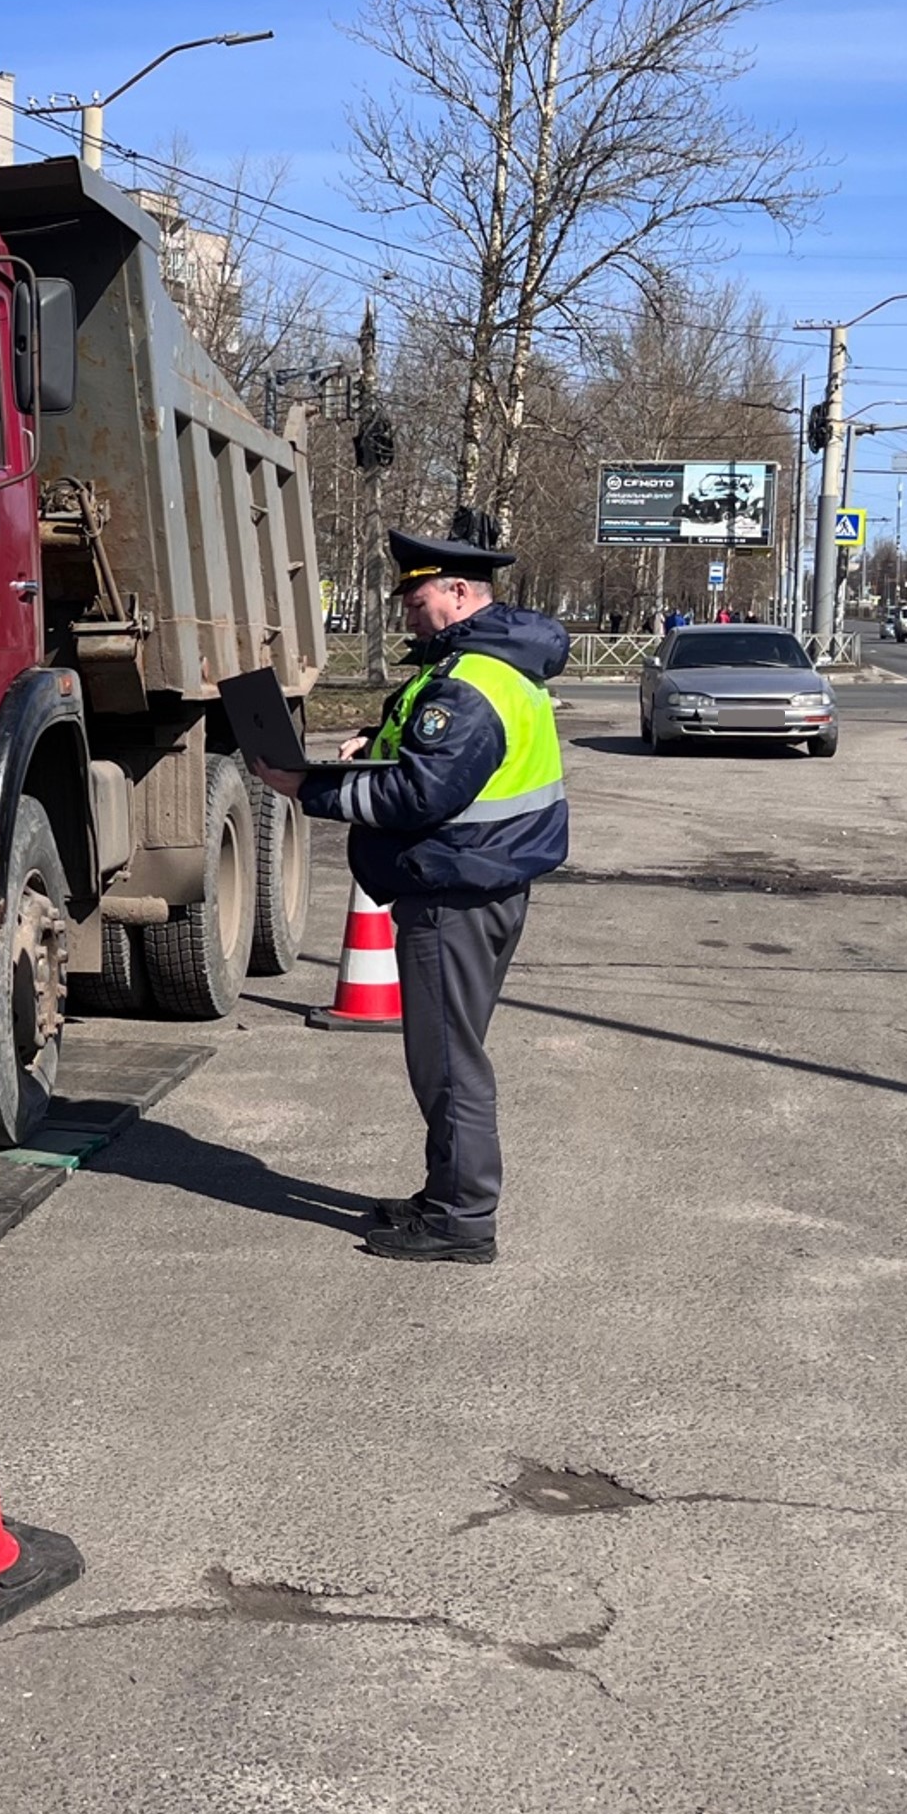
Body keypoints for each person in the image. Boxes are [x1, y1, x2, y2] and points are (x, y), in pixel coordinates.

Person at [251, 527, 570, 1264]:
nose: (408, 613)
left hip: (455, 892)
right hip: (477, 884)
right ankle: (446, 1191)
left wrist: (312, 787)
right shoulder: (484, 668)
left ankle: (461, 1218)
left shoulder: (468, 683)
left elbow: (421, 791)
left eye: (417, 598)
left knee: (449, 1063)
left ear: (459, 594)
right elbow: (438, 762)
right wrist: (376, 738)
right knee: (450, 1056)